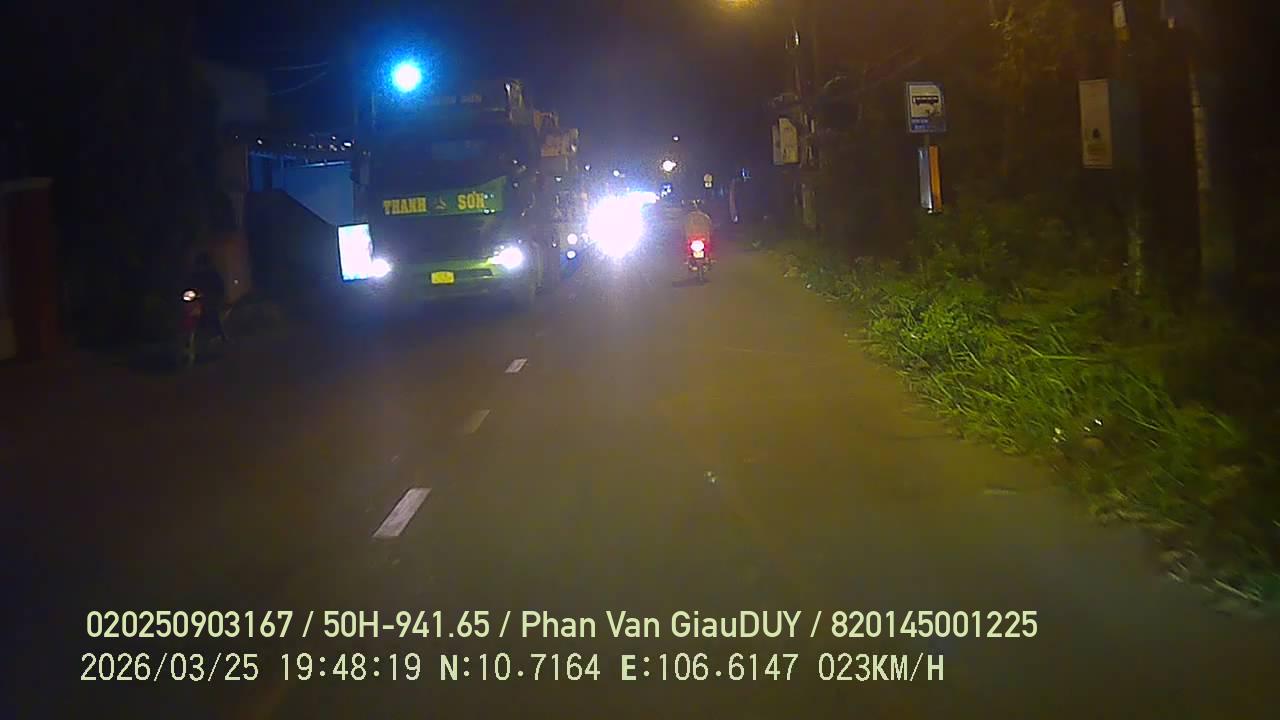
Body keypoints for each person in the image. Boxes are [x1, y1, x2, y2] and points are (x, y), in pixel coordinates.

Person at [187, 252, 228, 342]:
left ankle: (219, 334)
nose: (201, 266)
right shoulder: (196, 274)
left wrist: (213, 295)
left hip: (210, 298)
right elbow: (190, 284)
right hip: (199, 298)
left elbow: (219, 287)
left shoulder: (212, 274)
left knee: (212, 313)